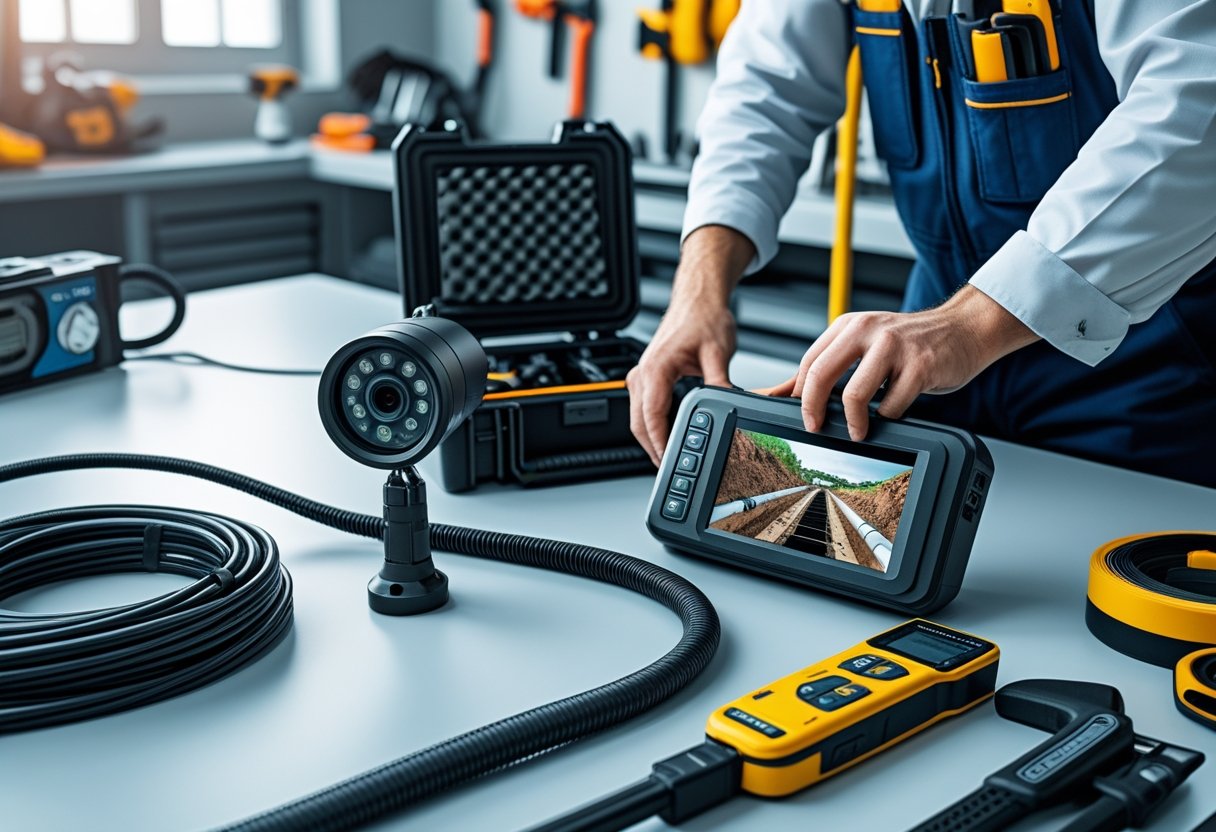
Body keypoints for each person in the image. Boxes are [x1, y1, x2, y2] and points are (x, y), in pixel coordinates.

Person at [626, 0, 1216, 489]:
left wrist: (971, 324)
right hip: (934, 349)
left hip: (1150, 362)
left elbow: (1195, 100)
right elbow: (764, 93)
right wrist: (698, 293)